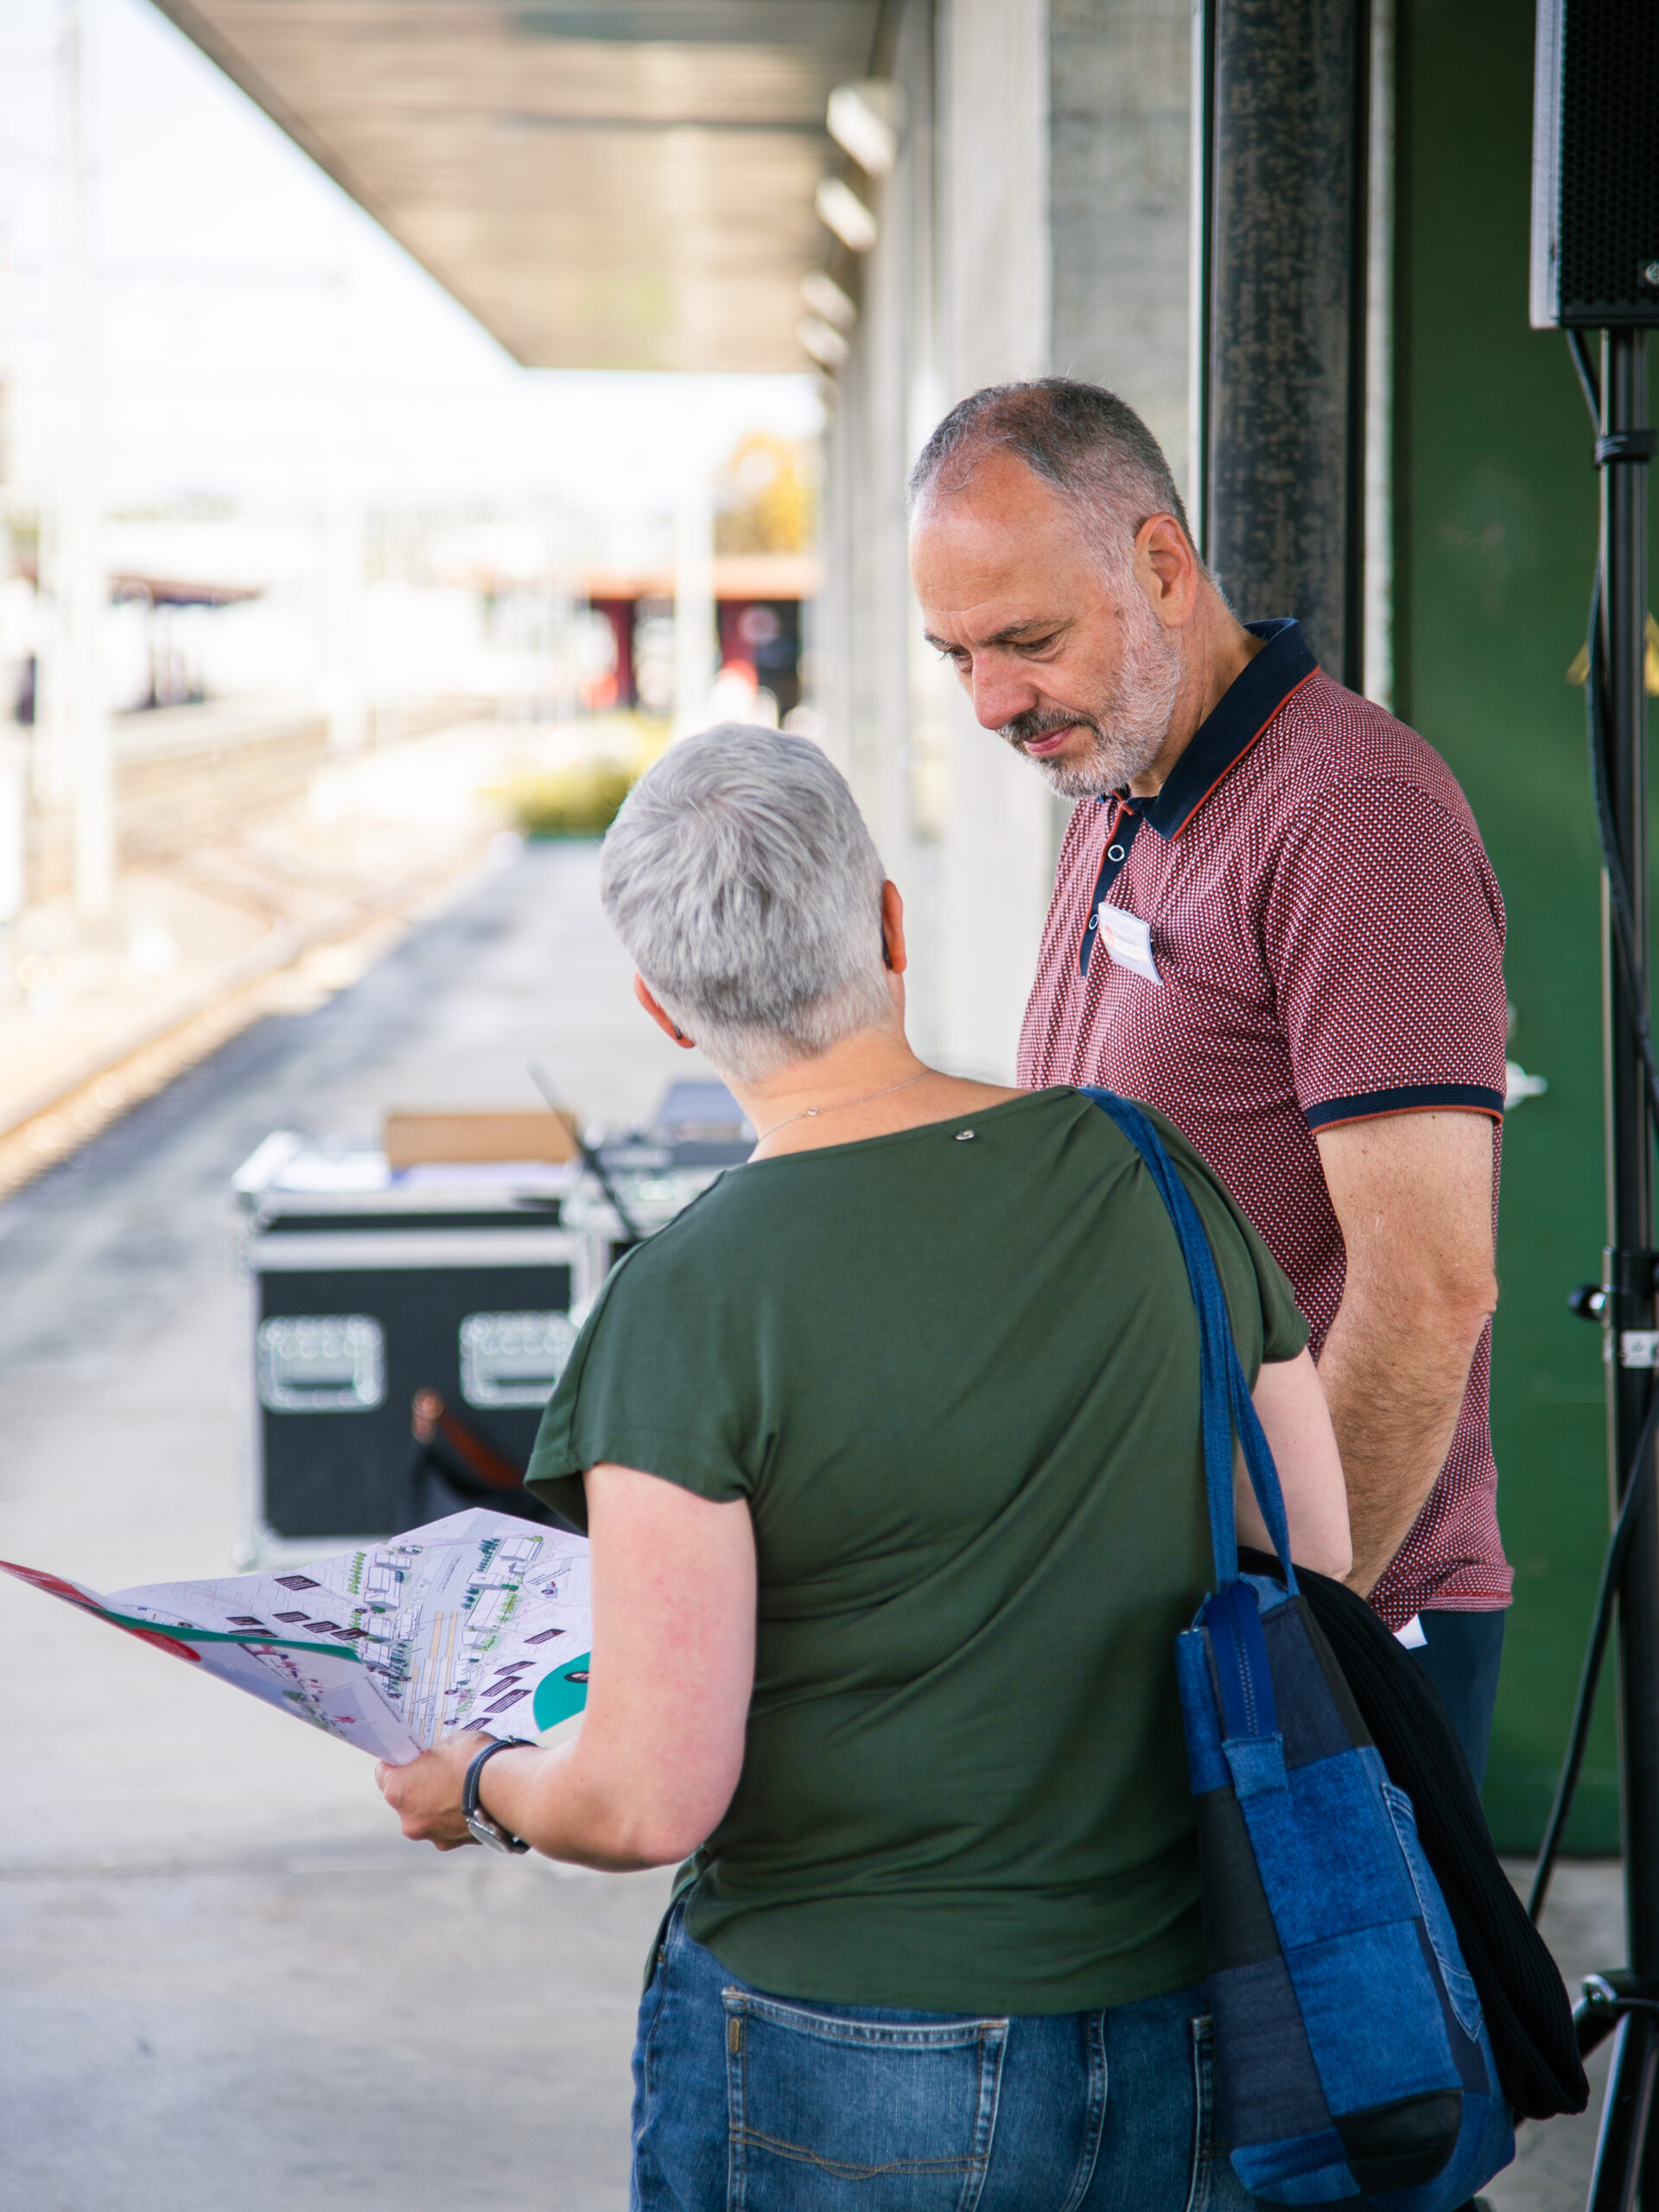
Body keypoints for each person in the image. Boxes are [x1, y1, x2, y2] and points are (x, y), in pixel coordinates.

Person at [378, 722, 1351, 2210]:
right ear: (891, 922)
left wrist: (486, 1784)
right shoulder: (1144, 1166)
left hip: (849, 2044)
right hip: (1198, 2014)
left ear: (663, 1009)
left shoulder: (686, 1305)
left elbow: (648, 1800)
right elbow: (1313, 1562)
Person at [907, 377, 1510, 1786]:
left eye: (1029, 642)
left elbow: (1428, 1289)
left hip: (1327, 1638)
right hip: (1187, 1618)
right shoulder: (1116, 783)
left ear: (1163, 569)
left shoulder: (1353, 815)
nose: (996, 701)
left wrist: (1291, 1630)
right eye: (957, 658)